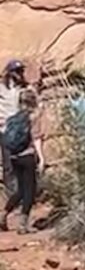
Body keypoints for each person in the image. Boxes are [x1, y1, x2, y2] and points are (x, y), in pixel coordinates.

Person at [1, 62, 39, 232]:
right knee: (29, 188)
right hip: (23, 147)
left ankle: (3, 213)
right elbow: (36, 136)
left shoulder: (14, 90)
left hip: (10, 139)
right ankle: (23, 224)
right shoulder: (30, 113)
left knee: (17, 181)